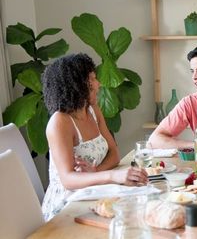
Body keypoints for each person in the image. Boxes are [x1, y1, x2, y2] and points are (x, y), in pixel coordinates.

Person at [41, 53, 148, 221]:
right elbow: (68, 179)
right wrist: (113, 176)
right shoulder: (60, 122)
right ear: (75, 86)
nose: (98, 84)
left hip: (94, 191)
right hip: (67, 205)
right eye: (92, 80)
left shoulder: (92, 109)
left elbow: (114, 154)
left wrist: (95, 172)